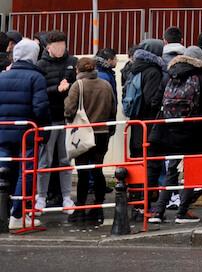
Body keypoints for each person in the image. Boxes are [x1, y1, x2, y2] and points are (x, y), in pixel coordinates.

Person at [148, 45, 202, 224]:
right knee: (193, 172)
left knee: (172, 170)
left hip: (171, 131)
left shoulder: (170, 75)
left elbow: (155, 102)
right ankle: (182, 212)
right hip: (196, 132)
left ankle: (158, 212)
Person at [0, 39, 50, 228]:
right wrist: (44, 128)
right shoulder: (36, 78)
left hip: (3, 131)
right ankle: (17, 214)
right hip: (27, 133)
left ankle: (2, 212)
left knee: (3, 170)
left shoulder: (2, 76)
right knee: (26, 171)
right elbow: (40, 108)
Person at [63, 57, 115, 226]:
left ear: (78, 70)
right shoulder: (106, 85)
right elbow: (113, 109)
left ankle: (81, 206)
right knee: (98, 169)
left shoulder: (78, 85)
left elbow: (69, 110)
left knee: (83, 171)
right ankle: (98, 205)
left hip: (83, 134)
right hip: (102, 133)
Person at [35, 30, 76, 214]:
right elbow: (40, 90)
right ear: (48, 47)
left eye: (63, 45)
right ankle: (40, 196)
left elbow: (78, 85)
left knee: (65, 160)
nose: (60, 49)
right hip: (49, 119)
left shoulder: (72, 62)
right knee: (45, 160)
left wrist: (69, 88)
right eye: (56, 45)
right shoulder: (41, 65)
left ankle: (67, 197)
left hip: (67, 118)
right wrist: (56, 89)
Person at [126, 38, 167, 219]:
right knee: (151, 165)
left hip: (135, 124)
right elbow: (152, 100)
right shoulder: (154, 71)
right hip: (149, 124)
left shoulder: (134, 68)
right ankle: (145, 206)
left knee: (136, 163)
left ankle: (136, 205)